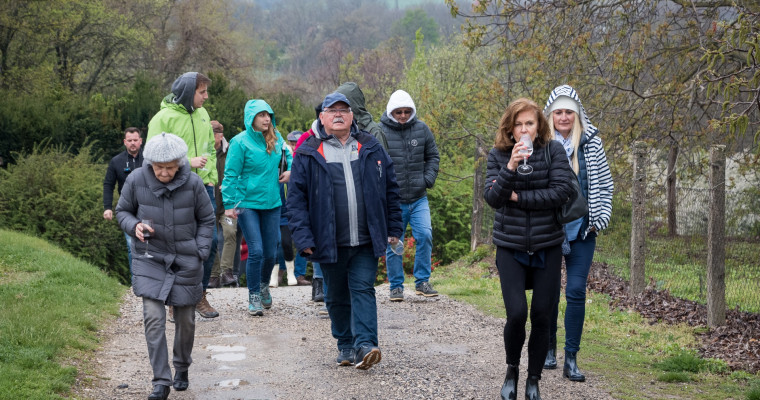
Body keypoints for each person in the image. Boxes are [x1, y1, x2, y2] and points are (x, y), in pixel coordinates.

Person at [287, 92, 403, 370]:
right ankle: (346, 345)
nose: (338, 114)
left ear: (352, 117)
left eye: (344, 110)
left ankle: (366, 345)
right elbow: (296, 200)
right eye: (332, 110)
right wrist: (303, 238)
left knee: (363, 289)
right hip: (329, 242)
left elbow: (391, 189)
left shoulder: (371, 146)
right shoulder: (308, 152)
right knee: (336, 295)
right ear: (322, 117)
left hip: (366, 239)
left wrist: (394, 227)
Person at [484, 98, 577, 400]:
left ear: (539, 126)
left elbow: (560, 193)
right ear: (510, 129)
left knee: (541, 314)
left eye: (530, 123)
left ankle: (533, 379)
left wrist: (518, 198)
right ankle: (512, 369)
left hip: (547, 245)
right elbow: (493, 197)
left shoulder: (553, 151)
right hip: (510, 246)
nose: (525, 130)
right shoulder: (498, 155)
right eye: (519, 124)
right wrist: (510, 166)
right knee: (516, 314)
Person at [116, 133, 215, 400]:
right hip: (150, 258)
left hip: (186, 259)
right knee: (153, 318)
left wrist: (200, 252)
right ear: (150, 163)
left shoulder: (193, 183)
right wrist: (133, 225)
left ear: (180, 163)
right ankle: (161, 381)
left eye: (170, 167)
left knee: (185, 319)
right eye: (159, 167)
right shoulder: (136, 180)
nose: (165, 172)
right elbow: (122, 211)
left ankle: (181, 367)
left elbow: (207, 220)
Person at [543, 85, 614, 382]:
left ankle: (571, 358)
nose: (563, 117)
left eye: (568, 112)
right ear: (550, 114)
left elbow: (606, 184)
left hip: (583, 229)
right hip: (548, 230)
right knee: (548, 295)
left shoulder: (592, 142)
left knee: (575, 292)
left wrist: (600, 218)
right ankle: (549, 349)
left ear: (577, 113)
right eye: (558, 112)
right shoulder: (540, 142)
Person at [147, 71, 219, 319]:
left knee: (211, 242)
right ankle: (173, 299)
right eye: (202, 92)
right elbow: (152, 155)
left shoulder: (203, 115)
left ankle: (199, 294)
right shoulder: (162, 118)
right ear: (189, 93)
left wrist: (210, 177)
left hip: (203, 189)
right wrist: (189, 162)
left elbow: (210, 147)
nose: (206, 97)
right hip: (174, 189)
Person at [222, 99, 291, 316]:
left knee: (271, 252)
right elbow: (230, 174)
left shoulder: (276, 137)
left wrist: (291, 170)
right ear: (251, 118)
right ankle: (253, 295)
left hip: (272, 202)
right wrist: (228, 204)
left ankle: (263, 286)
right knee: (257, 250)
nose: (266, 119)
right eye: (261, 115)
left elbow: (288, 156)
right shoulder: (239, 142)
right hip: (247, 203)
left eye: (268, 114)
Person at [380, 89, 440, 301]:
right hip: (393, 200)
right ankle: (396, 286)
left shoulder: (422, 129)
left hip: (418, 197)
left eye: (407, 111)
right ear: (391, 112)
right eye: (398, 112)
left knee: (425, 235)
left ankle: (422, 281)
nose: (403, 115)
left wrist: (427, 179)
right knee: (394, 242)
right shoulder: (381, 132)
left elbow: (433, 156)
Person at [103, 127, 144, 279]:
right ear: (124, 142)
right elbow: (108, 185)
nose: (133, 143)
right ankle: (136, 281)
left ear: (140, 141)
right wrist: (107, 208)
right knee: (132, 245)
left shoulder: (149, 159)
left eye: (135, 140)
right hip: (128, 210)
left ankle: (150, 279)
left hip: (148, 207)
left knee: (148, 245)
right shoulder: (116, 161)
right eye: (129, 140)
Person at [209, 121, 241, 288]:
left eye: (213, 133)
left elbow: (240, 171)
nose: (210, 136)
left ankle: (226, 272)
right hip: (208, 203)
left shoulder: (231, 151)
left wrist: (231, 186)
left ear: (220, 135)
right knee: (212, 239)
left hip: (228, 203)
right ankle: (213, 275)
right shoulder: (204, 150)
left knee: (230, 233)